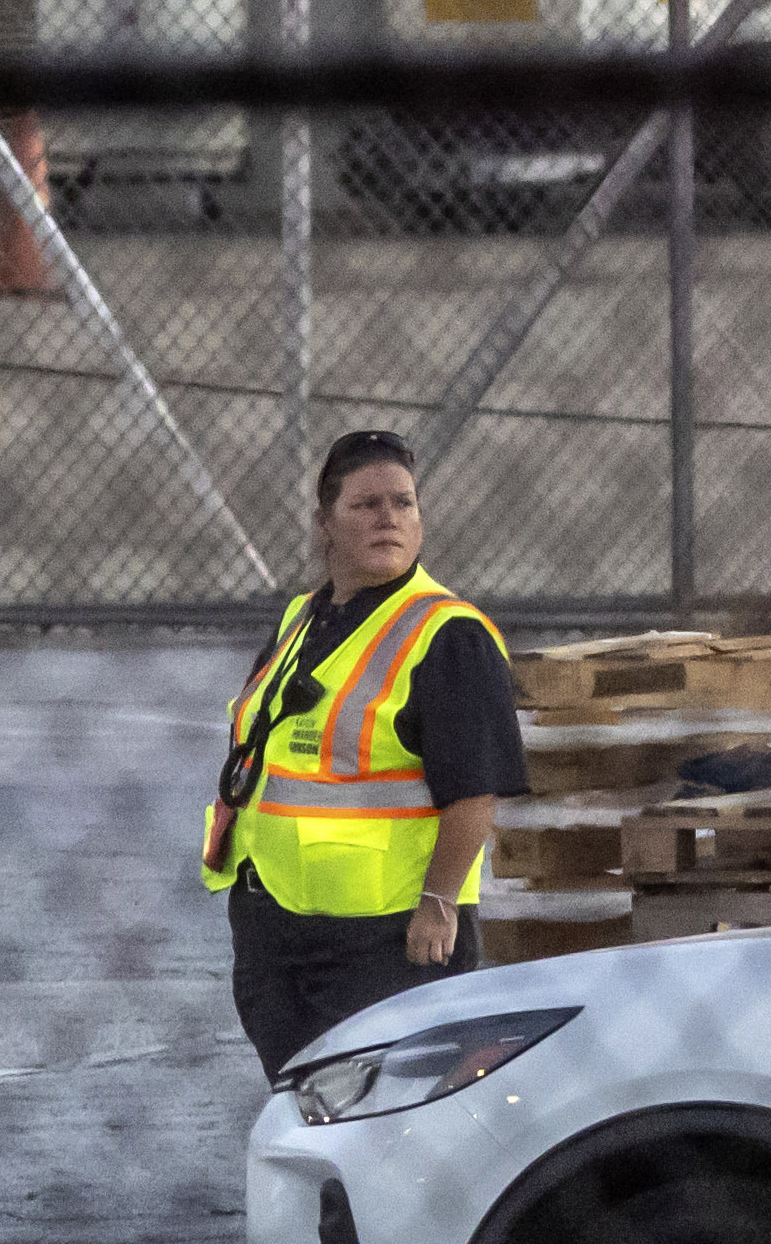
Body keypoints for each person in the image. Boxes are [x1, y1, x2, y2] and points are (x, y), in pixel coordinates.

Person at [206, 430, 530, 1076]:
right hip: (279, 927)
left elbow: (475, 791)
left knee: (386, 1114)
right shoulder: (300, 619)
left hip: (388, 940)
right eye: (367, 505)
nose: (389, 518)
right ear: (325, 524)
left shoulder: (447, 635)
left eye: (403, 504)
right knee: (304, 1102)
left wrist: (439, 904)